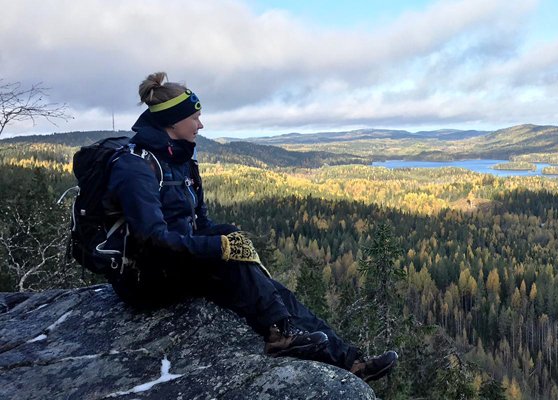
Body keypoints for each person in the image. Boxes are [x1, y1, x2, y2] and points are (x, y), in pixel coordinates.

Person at [102, 71, 397, 382]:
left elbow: (200, 222)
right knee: (234, 262)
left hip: (175, 263)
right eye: (195, 118)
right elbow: (151, 239)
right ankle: (280, 334)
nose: (201, 125)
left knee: (268, 283)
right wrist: (219, 247)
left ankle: (350, 361)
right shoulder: (135, 166)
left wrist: (229, 237)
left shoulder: (181, 160)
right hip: (144, 278)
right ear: (173, 122)